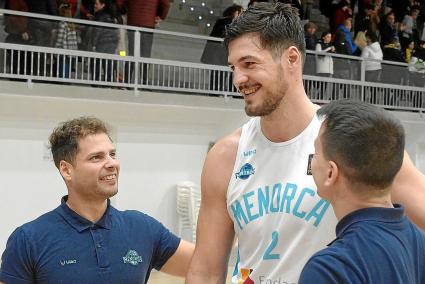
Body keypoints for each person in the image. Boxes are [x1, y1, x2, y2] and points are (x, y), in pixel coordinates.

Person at [186, 2, 425, 283]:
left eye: (249, 63)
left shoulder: (356, 139)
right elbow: (205, 270)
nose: (238, 79)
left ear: (291, 59)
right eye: (233, 67)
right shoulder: (226, 155)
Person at [0, 117, 194, 283]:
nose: (112, 164)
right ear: (66, 170)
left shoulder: (142, 228)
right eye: (96, 157)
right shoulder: (29, 240)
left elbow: (204, 265)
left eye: (112, 154)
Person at [299, 100, 425, 284]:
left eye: (316, 153)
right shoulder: (418, 243)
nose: (312, 162)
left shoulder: (329, 269)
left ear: (331, 173)